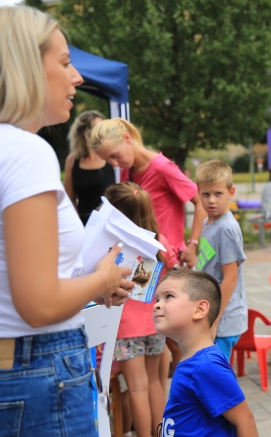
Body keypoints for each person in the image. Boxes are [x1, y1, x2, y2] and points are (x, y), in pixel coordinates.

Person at [0, 6, 133, 436]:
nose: (76, 78)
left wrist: (88, 284)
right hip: (39, 373)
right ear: (24, 66)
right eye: (66, 62)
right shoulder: (23, 151)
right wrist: (102, 276)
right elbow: (37, 305)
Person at [89, 118, 207, 368]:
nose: (113, 163)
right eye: (108, 160)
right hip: (143, 265)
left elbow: (199, 202)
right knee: (158, 343)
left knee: (170, 342)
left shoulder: (163, 168)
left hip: (163, 266)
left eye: (114, 155)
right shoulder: (126, 171)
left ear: (127, 139)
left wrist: (193, 244)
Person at [104, 182, 179, 437]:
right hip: (155, 324)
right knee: (156, 382)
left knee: (136, 388)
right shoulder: (159, 241)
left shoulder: (114, 247)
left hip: (125, 329)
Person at [154, 270, 258, 437]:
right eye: (157, 299)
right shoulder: (192, 359)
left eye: (169, 296)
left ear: (200, 309)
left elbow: (245, 420)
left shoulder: (206, 366)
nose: (157, 305)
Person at [193, 160, 248, 359]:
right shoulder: (209, 222)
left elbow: (230, 279)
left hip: (223, 320)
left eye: (218, 194)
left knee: (217, 378)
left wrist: (214, 321)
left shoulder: (227, 229)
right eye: (205, 194)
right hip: (210, 314)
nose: (211, 201)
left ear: (231, 193)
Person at [64, 110, 114, 224]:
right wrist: (77, 223)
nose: (102, 132)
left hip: (109, 223)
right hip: (82, 223)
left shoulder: (111, 157)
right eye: (97, 128)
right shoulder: (72, 161)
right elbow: (69, 199)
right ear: (83, 132)